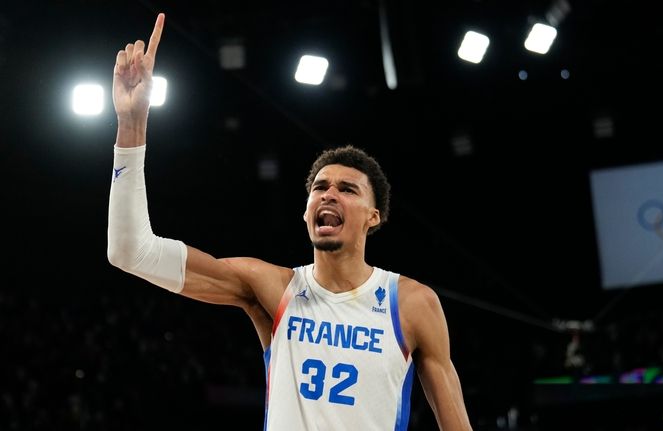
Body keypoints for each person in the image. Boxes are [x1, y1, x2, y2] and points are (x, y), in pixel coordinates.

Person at [107, 13, 472, 431]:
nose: (329, 194)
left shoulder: (411, 302)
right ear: (306, 210)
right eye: (320, 188)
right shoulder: (272, 288)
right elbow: (130, 251)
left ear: (375, 217)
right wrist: (131, 124)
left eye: (348, 189)